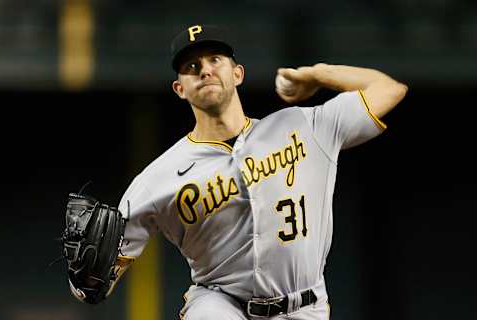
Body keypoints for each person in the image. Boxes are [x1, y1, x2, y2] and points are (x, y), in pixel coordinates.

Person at [80, 24, 407, 319]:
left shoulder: (304, 126)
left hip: (306, 306)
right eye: (192, 67)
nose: (204, 70)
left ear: (237, 73)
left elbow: (388, 89)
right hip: (220, 303)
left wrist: (316, 74)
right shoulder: (156, 179)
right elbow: (93, 285)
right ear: (180, 88)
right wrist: (88, 278)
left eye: (214, 60)